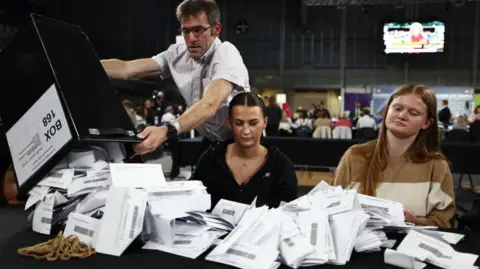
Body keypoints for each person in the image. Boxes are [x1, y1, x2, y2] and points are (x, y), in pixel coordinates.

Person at [101, 0, 249, 155]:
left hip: (241, 145)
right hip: (210, 143)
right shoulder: (177, 53)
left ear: (216, 29)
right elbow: (126, 68)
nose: (191, 38)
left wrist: (167, 130)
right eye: (186, 31)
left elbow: (209, 104)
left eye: (198, 30)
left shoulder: (226, 54)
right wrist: (82, 62)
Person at [333, 84, 454, 228]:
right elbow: (333, 207)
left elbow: (443, 221)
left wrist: (415, 221)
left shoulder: (437, 166)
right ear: (387, 111)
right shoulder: (355, 156)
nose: (402, 115)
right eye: (397, 108)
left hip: (411, 247)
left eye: (413, 113)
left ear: (427, 123)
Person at [190, 92, 298, 209]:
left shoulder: (281, 166)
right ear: (230, 123)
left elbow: (289, 215)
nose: (246, 131)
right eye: (239, 123)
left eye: (253, 123)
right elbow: (191, 204)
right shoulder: (211, 160)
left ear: (264, 123)